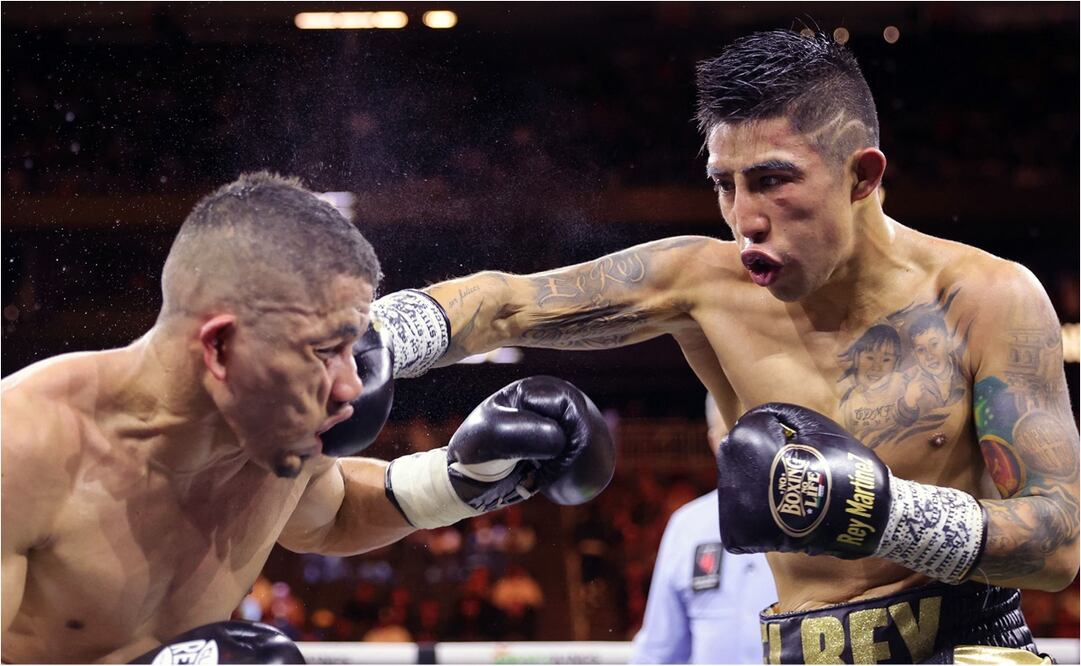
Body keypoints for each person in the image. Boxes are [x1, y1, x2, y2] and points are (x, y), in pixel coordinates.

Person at [366, 30, 1079, 663]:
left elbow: (1057, 543)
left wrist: (881, 514)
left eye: (771, 181)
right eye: (724, 185)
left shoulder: (986, 299)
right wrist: (355, 345)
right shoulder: (704, 285)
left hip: (964, 648)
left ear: (862, 176)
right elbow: (505, 304)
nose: (745, 219)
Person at [0, 172, 616, 664]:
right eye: (325, 351)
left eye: (352, 346)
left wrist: (458, 482)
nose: (353, 384)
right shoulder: (24, 448)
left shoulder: (273, 436)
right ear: (219, 347)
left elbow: (330, 515)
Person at [630, 394, 775, 664]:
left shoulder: (823, 520)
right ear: (712, 443)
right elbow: (660, 652)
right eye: (732, 439)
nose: (748, 453)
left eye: (757, 437)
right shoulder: (688, 526)